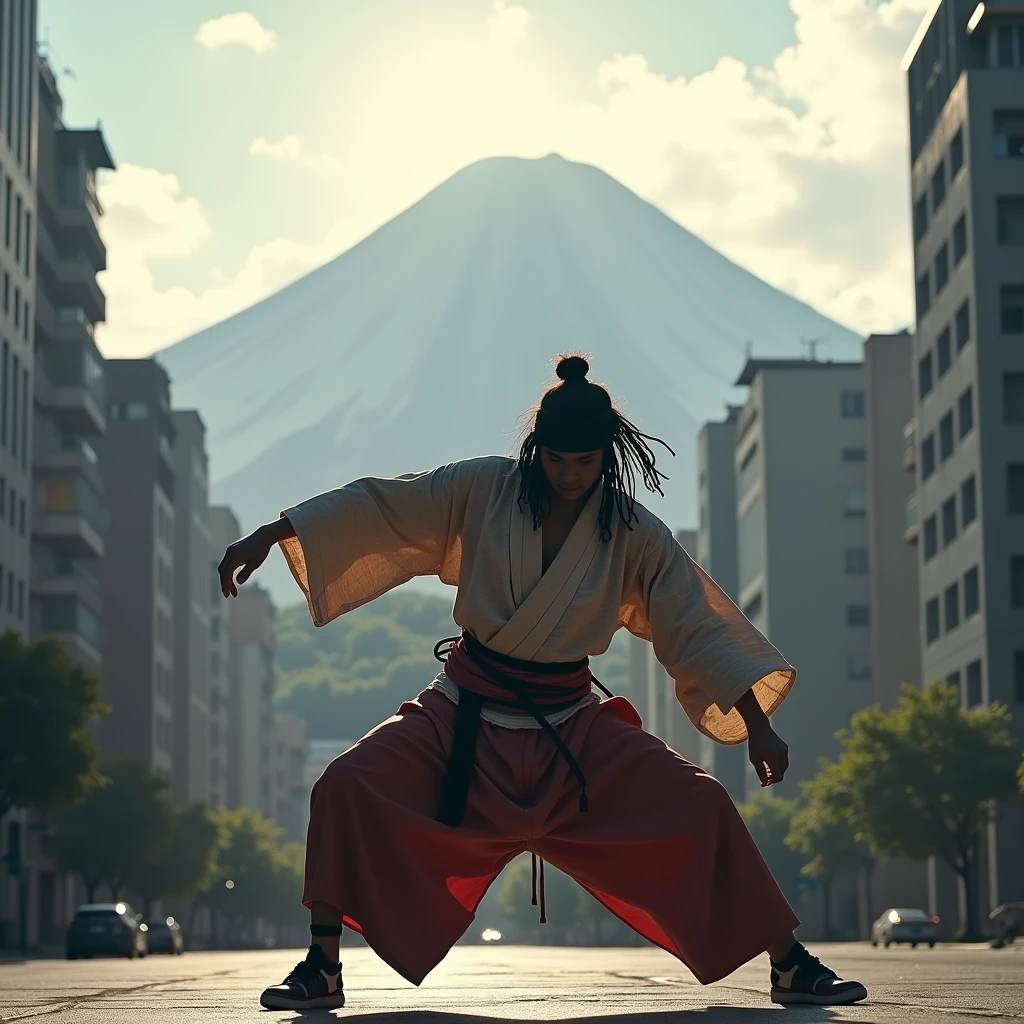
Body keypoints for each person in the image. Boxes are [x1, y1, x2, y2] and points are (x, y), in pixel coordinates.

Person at [218, 354, 867, 1010]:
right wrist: (276, 532)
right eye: (556, 459)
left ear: (607, 455)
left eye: (584, 462)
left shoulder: (636, 533)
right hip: (462, 715)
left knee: (703, 802)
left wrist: (759, 725)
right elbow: (390, 505)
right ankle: (322, 964)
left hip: (574, 726)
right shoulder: (482, 489)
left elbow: (696, 627)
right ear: (535, 448)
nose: (568, 474)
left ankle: (789, 961)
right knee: (344, 785)